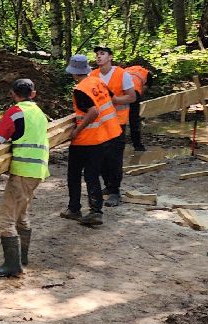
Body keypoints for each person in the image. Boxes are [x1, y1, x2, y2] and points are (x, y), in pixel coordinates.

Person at [0, 78, 50, 277]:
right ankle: (22, 257)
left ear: (13, 94)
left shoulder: (15, 112)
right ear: (33, 93)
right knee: (21, 214)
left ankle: (12, 265)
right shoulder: (40, 113)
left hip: (22, 170)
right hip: (37, 171)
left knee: (5, 219)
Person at [60, 53, 120, 227]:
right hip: (104, 136)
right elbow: (110, 100)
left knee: (74, 174)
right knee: (92, 175)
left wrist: (77, 130)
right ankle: (95, 211)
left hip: (86, 139)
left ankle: (75, 209)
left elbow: (93, 112)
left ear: (73, 72)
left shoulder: (80, 89)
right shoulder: (97, 81)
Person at [89, 47, 137, 207]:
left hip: (117, 122)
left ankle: (115, 190)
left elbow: (132, 97)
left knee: (114, 157)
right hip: (100, 123)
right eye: (97, 54)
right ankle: (108, 186)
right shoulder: (93, 75)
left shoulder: (122, 75)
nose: (98, 57)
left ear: (110, 57)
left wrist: (115, 100)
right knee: (101, 156)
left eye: (102, 54)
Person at [124, 59, 152, 151]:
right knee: (134, 120)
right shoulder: (146, 73)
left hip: (119, 92)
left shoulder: (126, 69)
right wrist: (139, 97)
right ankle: (137, 145)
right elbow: (144, 88)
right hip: (133, 91)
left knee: (118, 118)